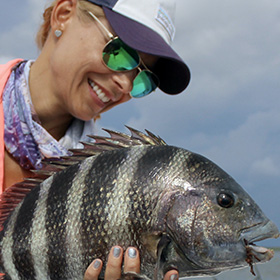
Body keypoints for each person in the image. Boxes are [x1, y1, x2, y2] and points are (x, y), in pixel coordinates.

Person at [0, 0, 190, 279]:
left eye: (143, 78)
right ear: (63, 14)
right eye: (120, 52)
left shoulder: (105, 172)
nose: (125, 85)